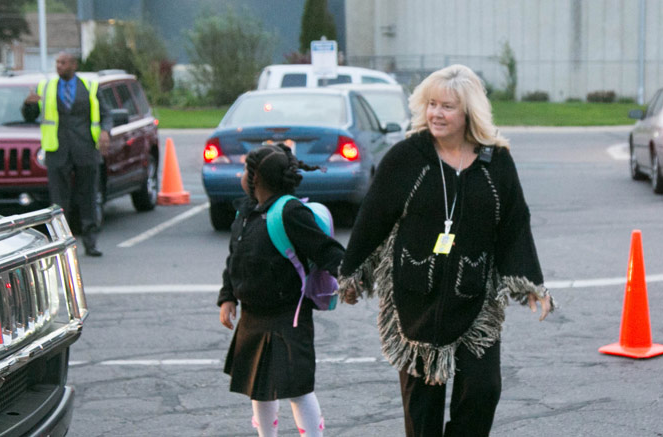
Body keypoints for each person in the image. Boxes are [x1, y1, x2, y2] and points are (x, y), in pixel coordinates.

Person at [338, 64, 554, 437]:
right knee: (422, 411)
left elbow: (515, 223)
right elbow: (372, 216)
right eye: (431, 104)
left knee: (484, 391)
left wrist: (531, 282)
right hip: (414, 297)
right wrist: (353, 273)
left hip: (474, 296)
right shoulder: (406, 157)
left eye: (447, 106)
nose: (436, 114)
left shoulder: (495, 161)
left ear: (469, 111)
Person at [217, 144, 343, 437]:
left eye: (245, 169)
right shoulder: (246, 212)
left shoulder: (289, 212)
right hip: (253, 317)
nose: (241, 174)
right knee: (259, 390)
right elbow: (234, 258)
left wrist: (348, 281)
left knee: (297, 389)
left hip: (289, 316)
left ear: (256, 178)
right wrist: (227, 297)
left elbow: (327, 250)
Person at [22, 52, 111, 257]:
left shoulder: (90, 87)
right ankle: (62, 244)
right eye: (57, 63)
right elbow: (31, 116)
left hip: (86, 149)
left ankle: (91, 242)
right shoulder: (46, 87)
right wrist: (29, 104)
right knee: (60, 200)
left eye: (62, 63)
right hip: (57, 150)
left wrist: (105, 131)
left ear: (73, 65)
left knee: (88, 197)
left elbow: (106, 114)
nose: (58, 66)